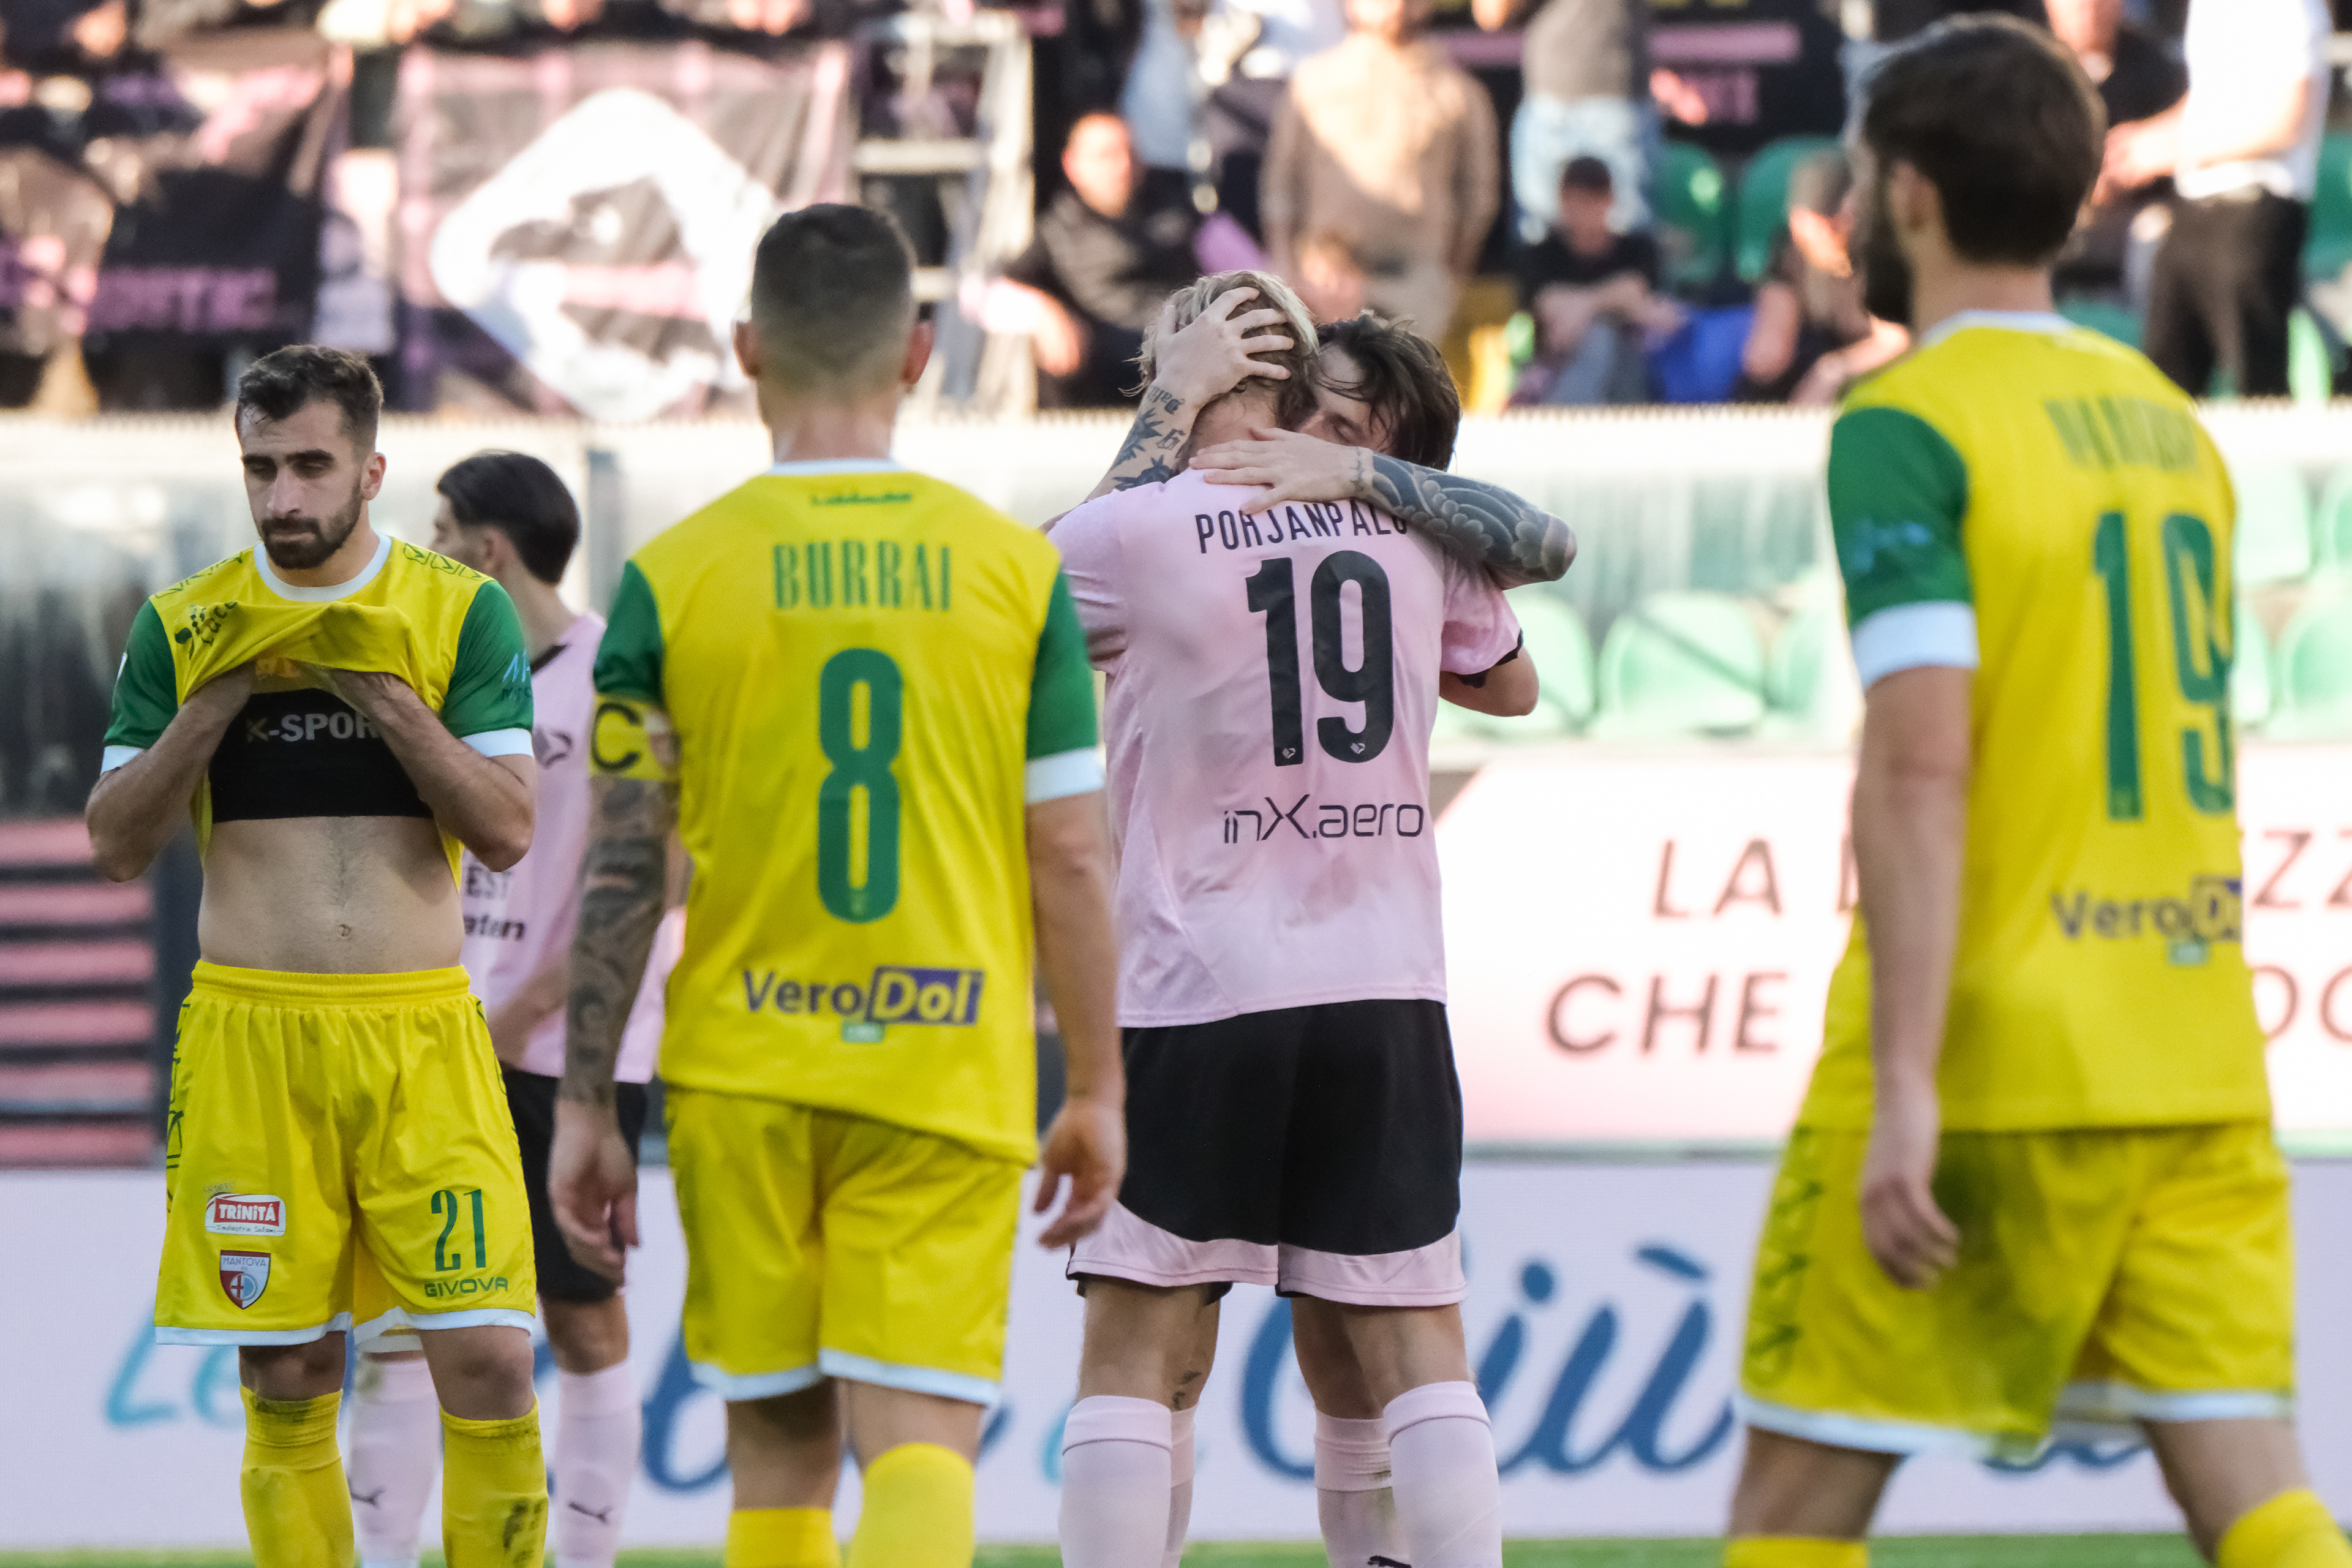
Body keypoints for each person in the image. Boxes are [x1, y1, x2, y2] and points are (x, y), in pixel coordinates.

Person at [1725, 19, 2351, 1568]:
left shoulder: (1905, 416)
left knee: (1793, 1513)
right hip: (2187, 1039)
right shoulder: (2166, 417)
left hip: (1988, 1047)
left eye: (1867, 182)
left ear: (1912, 197)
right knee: (2259, 1502)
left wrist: (1909, 1091)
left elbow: (1925, 760)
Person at [545, 203, 1126, 1568]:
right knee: (919, 1447)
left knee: (780, 1465)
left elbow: (627, 860)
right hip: (942, 1060)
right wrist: (1097, 1084)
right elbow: (1070, 852)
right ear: (921, 352)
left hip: (744, 1066)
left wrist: (586, 1103)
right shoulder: (1014, 573)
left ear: (745, 347)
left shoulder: (667, 581)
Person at [1048, 271, 1545, 1568]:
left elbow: (1016, 609)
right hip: (1385, 980)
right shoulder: (1412, 527)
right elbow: (1512, 676)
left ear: (1194, 362)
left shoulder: (1142, 527)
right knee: (1413, 1335)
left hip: (1197, 984)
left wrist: (1168, 407)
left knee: (1137, 1338)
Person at [86, 345, 548, 1568]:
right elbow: (117, 843)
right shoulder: (184, 623)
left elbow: (506, 824)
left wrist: (392, 702)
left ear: (371, 469)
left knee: (494, 1352)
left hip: (421, 1036)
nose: (283, 496)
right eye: (260, 467)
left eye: (309, 465)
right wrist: (211, 704)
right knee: (287, 1361)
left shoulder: (458, 608)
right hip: (254, 1038)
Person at [341, 451, 679, 1568]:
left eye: (439, 531)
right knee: (399, 1318)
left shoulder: (615, 679)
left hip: (570, 1053)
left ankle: (585, 1556)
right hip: (437, 1036)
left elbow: (656, 870)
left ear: (487, 549)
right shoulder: (442, 681)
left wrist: (530, 1000)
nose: (424, 552)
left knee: (582, 1317)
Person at [2103, 0, 2331, 396]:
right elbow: (2209, 98)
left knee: (2256, 382)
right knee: (2166, 379)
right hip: (2192, 211)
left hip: (2255, 212)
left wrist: (2174, 150)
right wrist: (2140, 142)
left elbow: (2285, 120)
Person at [1260, 0, 1498, 342]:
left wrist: (1448, 280)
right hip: (1322, 280)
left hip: (1412, 286)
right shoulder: (1313, 82)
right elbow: (1279, 188)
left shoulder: (1459, 92)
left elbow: (1478, 201)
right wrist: (1286, 271)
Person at [992, 114, 1205, 409]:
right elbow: (984, 293)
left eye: (1130, 153)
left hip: (1181, 380)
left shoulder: (1181, 215)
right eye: (1106, 156)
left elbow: (1253, 270)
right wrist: (1041, 313)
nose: (1123, 166)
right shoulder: (1055, 232)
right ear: (1072, 164)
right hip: (1096, 393)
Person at [1469, 0, 1653, 241]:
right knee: (1538, 249)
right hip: (1547, 103)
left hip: (1615, 99)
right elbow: (1491, 15)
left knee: (1627, 249)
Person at [1734, 150, 1907, 405]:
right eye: (1797, 225)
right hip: (1804, 385)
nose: (1801, 236)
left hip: (1874, 375)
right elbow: (1765, 357)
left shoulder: (1881, 256)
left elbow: (1896, 341)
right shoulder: (1791, 256)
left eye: (1814, 226)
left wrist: (1833, 371)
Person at [2044, 0, 2186, 304]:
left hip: (2131, 222)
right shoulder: (2026, 68)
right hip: (2047, 222)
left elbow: (2181, 144)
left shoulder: (2155, 66)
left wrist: (2130, 168)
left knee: (2159, 234)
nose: (2089, 9)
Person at [1512, 156, 1683, 407]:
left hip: (1631, 371)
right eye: (1574, 202)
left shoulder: (1636, 249)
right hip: (1558, 372)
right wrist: (1614, 303)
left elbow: (1644, 300)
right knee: (1597, 338)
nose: (1582, 213)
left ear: (1610, 201)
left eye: (1591, 202)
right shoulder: (1540, 255)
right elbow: (1551, 311)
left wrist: (1584, 306)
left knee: (1613, 339)